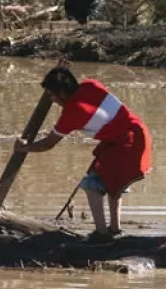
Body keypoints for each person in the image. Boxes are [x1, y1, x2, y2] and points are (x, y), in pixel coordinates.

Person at [14, 66, 152, 244]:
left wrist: (24, 148)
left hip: (127, 145)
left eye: (52, 95)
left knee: (92, 185)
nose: (52, 99)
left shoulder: (73, 111)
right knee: (112, 183)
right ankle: (114, 229)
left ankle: (102, 235)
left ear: (62, 93)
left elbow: (48, 144)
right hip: (136, 135)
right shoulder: (90, 85)